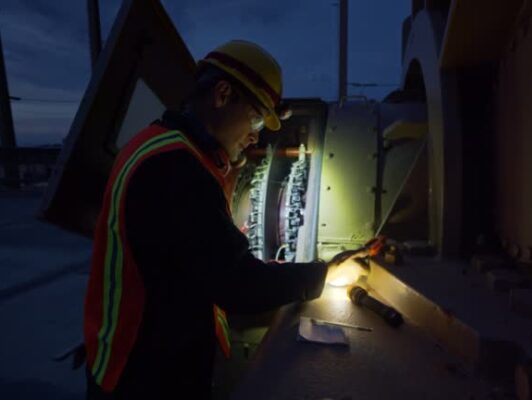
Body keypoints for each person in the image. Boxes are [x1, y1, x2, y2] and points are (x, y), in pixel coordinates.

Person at [83, 40, 362, 399]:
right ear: (223, 94)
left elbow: (194, 255)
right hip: (145, 376)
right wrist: (322, 274)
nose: (256, 135)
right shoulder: (177, 170)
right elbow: (238, 285)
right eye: (257, 117)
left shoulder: (153, 142)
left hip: (124, 356)